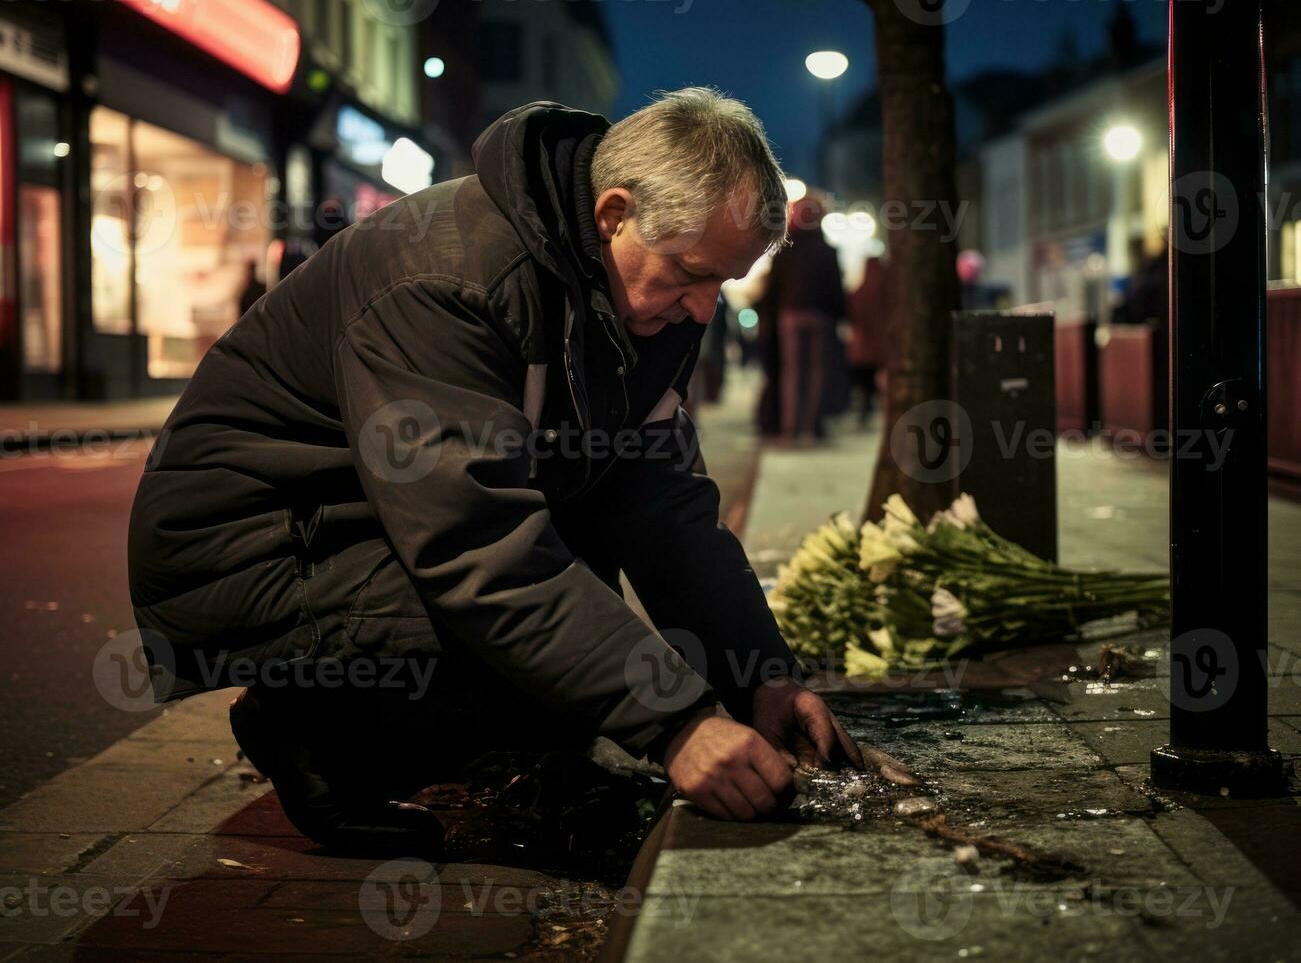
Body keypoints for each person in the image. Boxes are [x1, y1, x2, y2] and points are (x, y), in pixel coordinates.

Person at [127, 90, 878, 856]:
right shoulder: (447, 279)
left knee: (572, 651)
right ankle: (314, 728)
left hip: (377, 521)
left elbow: (667, 505)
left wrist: (759, 679)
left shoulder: (644, 299)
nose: (701, 311)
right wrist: (675, 725)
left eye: (722, 282)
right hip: (268, 540)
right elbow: (473, 543)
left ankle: (450, 735)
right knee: (514, 640)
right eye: (690, 275)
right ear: (612, 213)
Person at [760, 195, 846, 442]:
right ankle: (811, 425)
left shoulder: (786, 249)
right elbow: (835, 287)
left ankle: (790, 427)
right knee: (817, 372)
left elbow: (773, 286)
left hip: (789, 313)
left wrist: (768, 316)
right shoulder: (827, 250)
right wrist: (841, 316)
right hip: (820, 315)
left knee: (792, 371)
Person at [847, 255, 889, 426]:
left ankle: (865, 410)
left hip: (862, 343)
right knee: (875, 379)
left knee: (864, 380)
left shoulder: (860, 291)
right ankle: (870, 407)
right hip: (878, 342)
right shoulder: (885, 291)